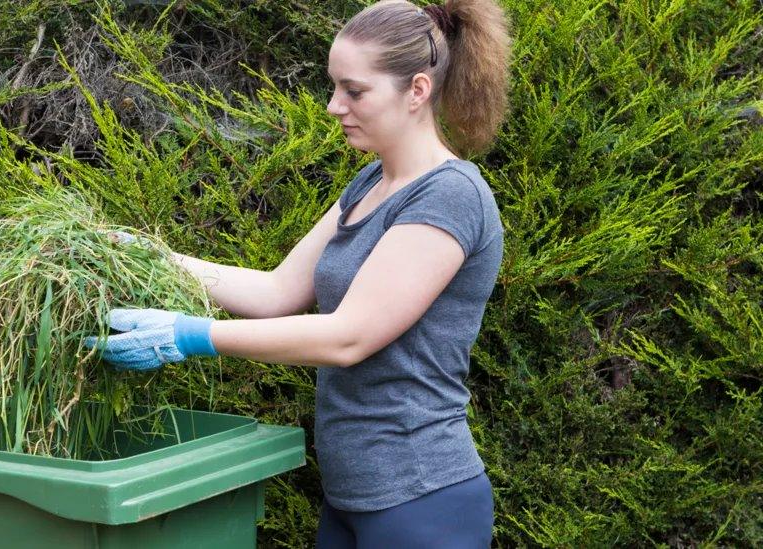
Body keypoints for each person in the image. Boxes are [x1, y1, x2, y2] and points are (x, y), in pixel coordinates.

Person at [84, 0, 511, 546]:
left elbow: (348, 336)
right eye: (334, 87)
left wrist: (188, 335)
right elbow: (276, 290)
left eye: (354, 91)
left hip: (420, 498)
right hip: (351, 496)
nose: (335, 106)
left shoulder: (450, 195)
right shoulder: (368, 186)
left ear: (417, 91)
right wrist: (152, 255)